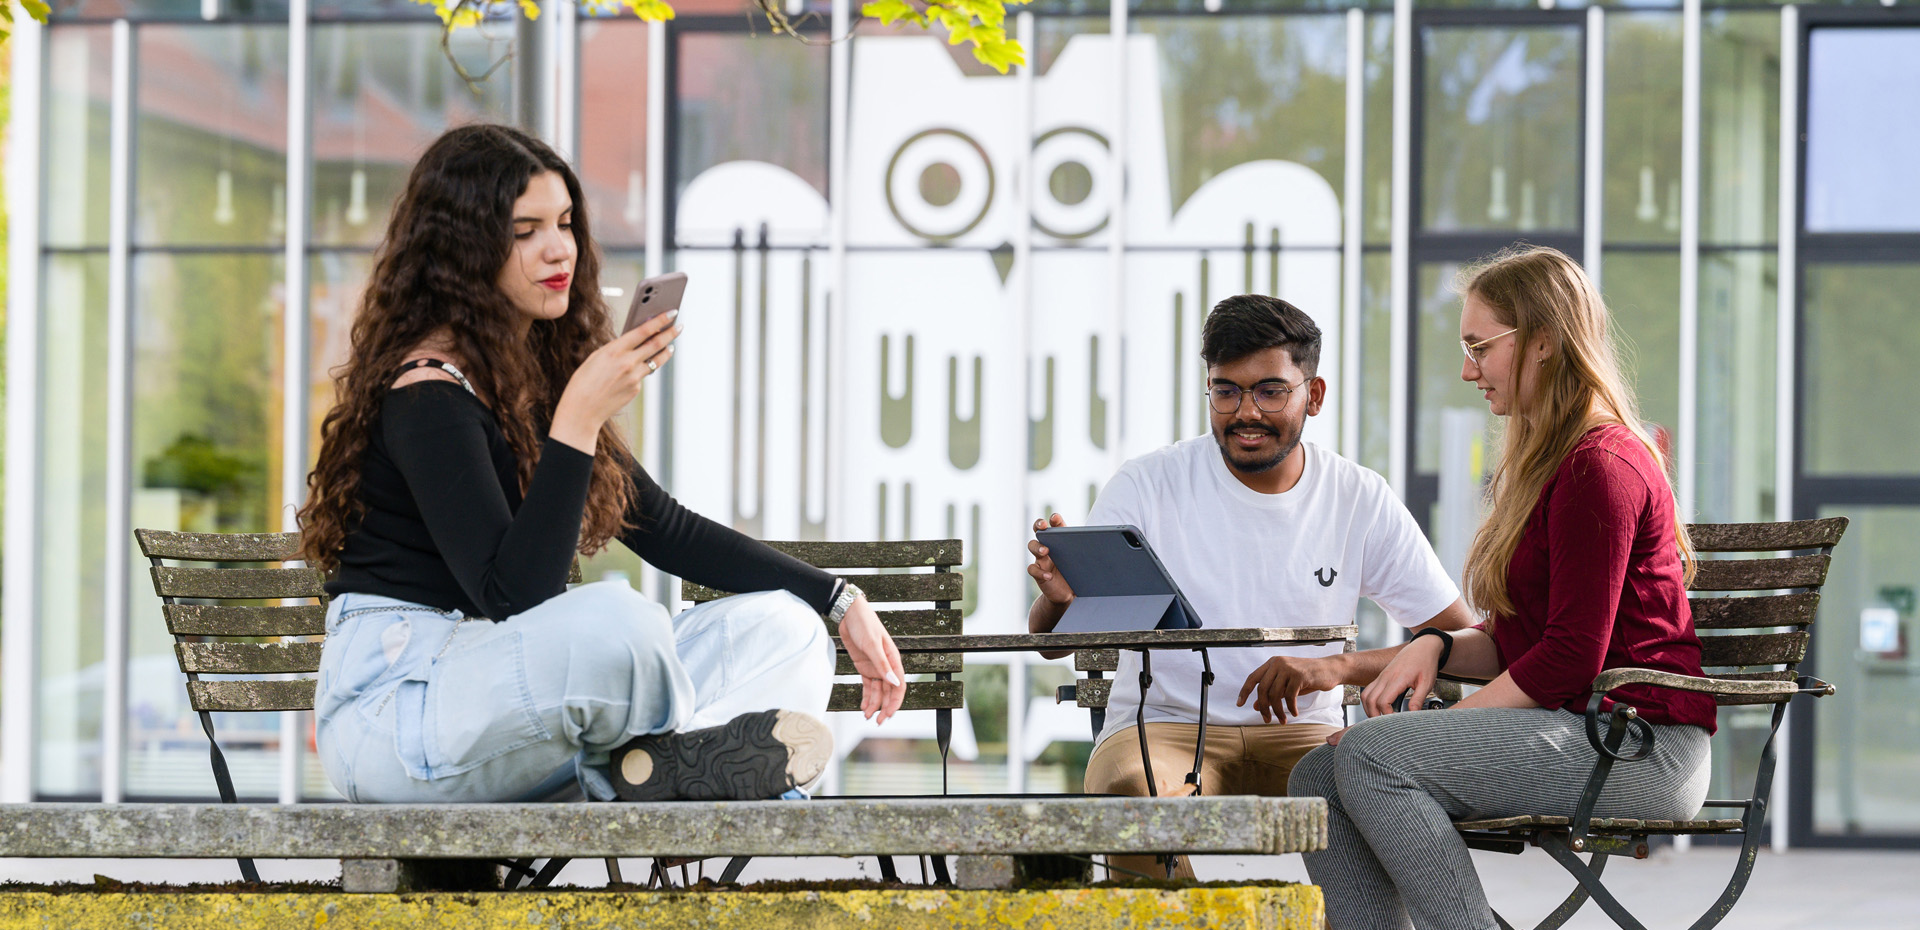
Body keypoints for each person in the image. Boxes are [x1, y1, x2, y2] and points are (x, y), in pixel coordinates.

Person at [299, 124, 906, 805]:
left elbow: (664, 527)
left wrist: (836, 598)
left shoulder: (534, 381)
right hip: (402, 718)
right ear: (463, 251)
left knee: (784, 628)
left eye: (564, 223)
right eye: (524, 231)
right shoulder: (428, 394)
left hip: (513, 706)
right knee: (622, 623)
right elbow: (512, 598)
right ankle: (676, 765)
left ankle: (655, 773)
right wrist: (579, 421)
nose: (558, 248)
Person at [1275, 246, 1716, 930]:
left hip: (1640, 747)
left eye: (1480, 345)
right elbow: (1521, 638)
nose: (1466, 369)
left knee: (1370, 754)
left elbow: (1570, 656)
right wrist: (1434, 647)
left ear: (1543, 341)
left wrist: (1443, 728)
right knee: (1317, 778)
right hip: (1589, 732)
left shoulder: (1602, 466)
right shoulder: (1552, 466)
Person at [1025, 294, 1474, 880]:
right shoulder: (1149, 484)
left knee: (1375, 803)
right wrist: (1059, 600)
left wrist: (1335, 669)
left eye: (1269, 390)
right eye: (1225, 390)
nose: (1245, 412)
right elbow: (1054, 643)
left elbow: (1457, 634)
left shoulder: (1357, 496)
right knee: (1130, 796)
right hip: (1162, 726)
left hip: (1307, 734)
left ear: (1312, 396)